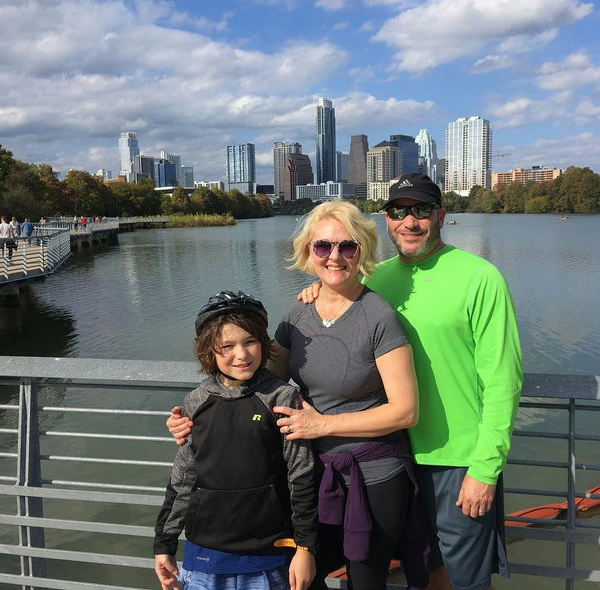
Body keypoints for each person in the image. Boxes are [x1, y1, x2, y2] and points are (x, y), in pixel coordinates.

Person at [168, 201, 428, 590]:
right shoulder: (297, 314)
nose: (335, 256)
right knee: (301, 576)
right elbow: (252, 384)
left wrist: (322, 424)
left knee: (367, 578)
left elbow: (405, 412)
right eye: (323, 246)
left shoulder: (379, 316)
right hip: (307, 476)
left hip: (373, 477)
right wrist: (192, 420)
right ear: (309, 251)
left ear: (363, 251)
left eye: (347, 246)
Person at [303, 174, 522, 590]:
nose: (410, 221)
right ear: (385, 220)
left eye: (421, 210)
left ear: (441, 215)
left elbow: (503, 382)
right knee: (425, 572)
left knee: (466, 580)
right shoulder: (376, 278)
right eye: (398, 211)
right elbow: (340, 303)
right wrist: (317, 289)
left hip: (458, 460)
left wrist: (486, 469)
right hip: (391, 458)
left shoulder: (480, 276)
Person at [154, 291, 318, 590]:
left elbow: (302, 476)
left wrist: (306, 548)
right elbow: (182, 479)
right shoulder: (197, 402)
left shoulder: (281, 398)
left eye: (250, 342)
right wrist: (164, 543)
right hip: (205, 555)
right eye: (226, 346)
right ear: (208, 351)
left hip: (271, 553)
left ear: (264, 343)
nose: (241, 355)